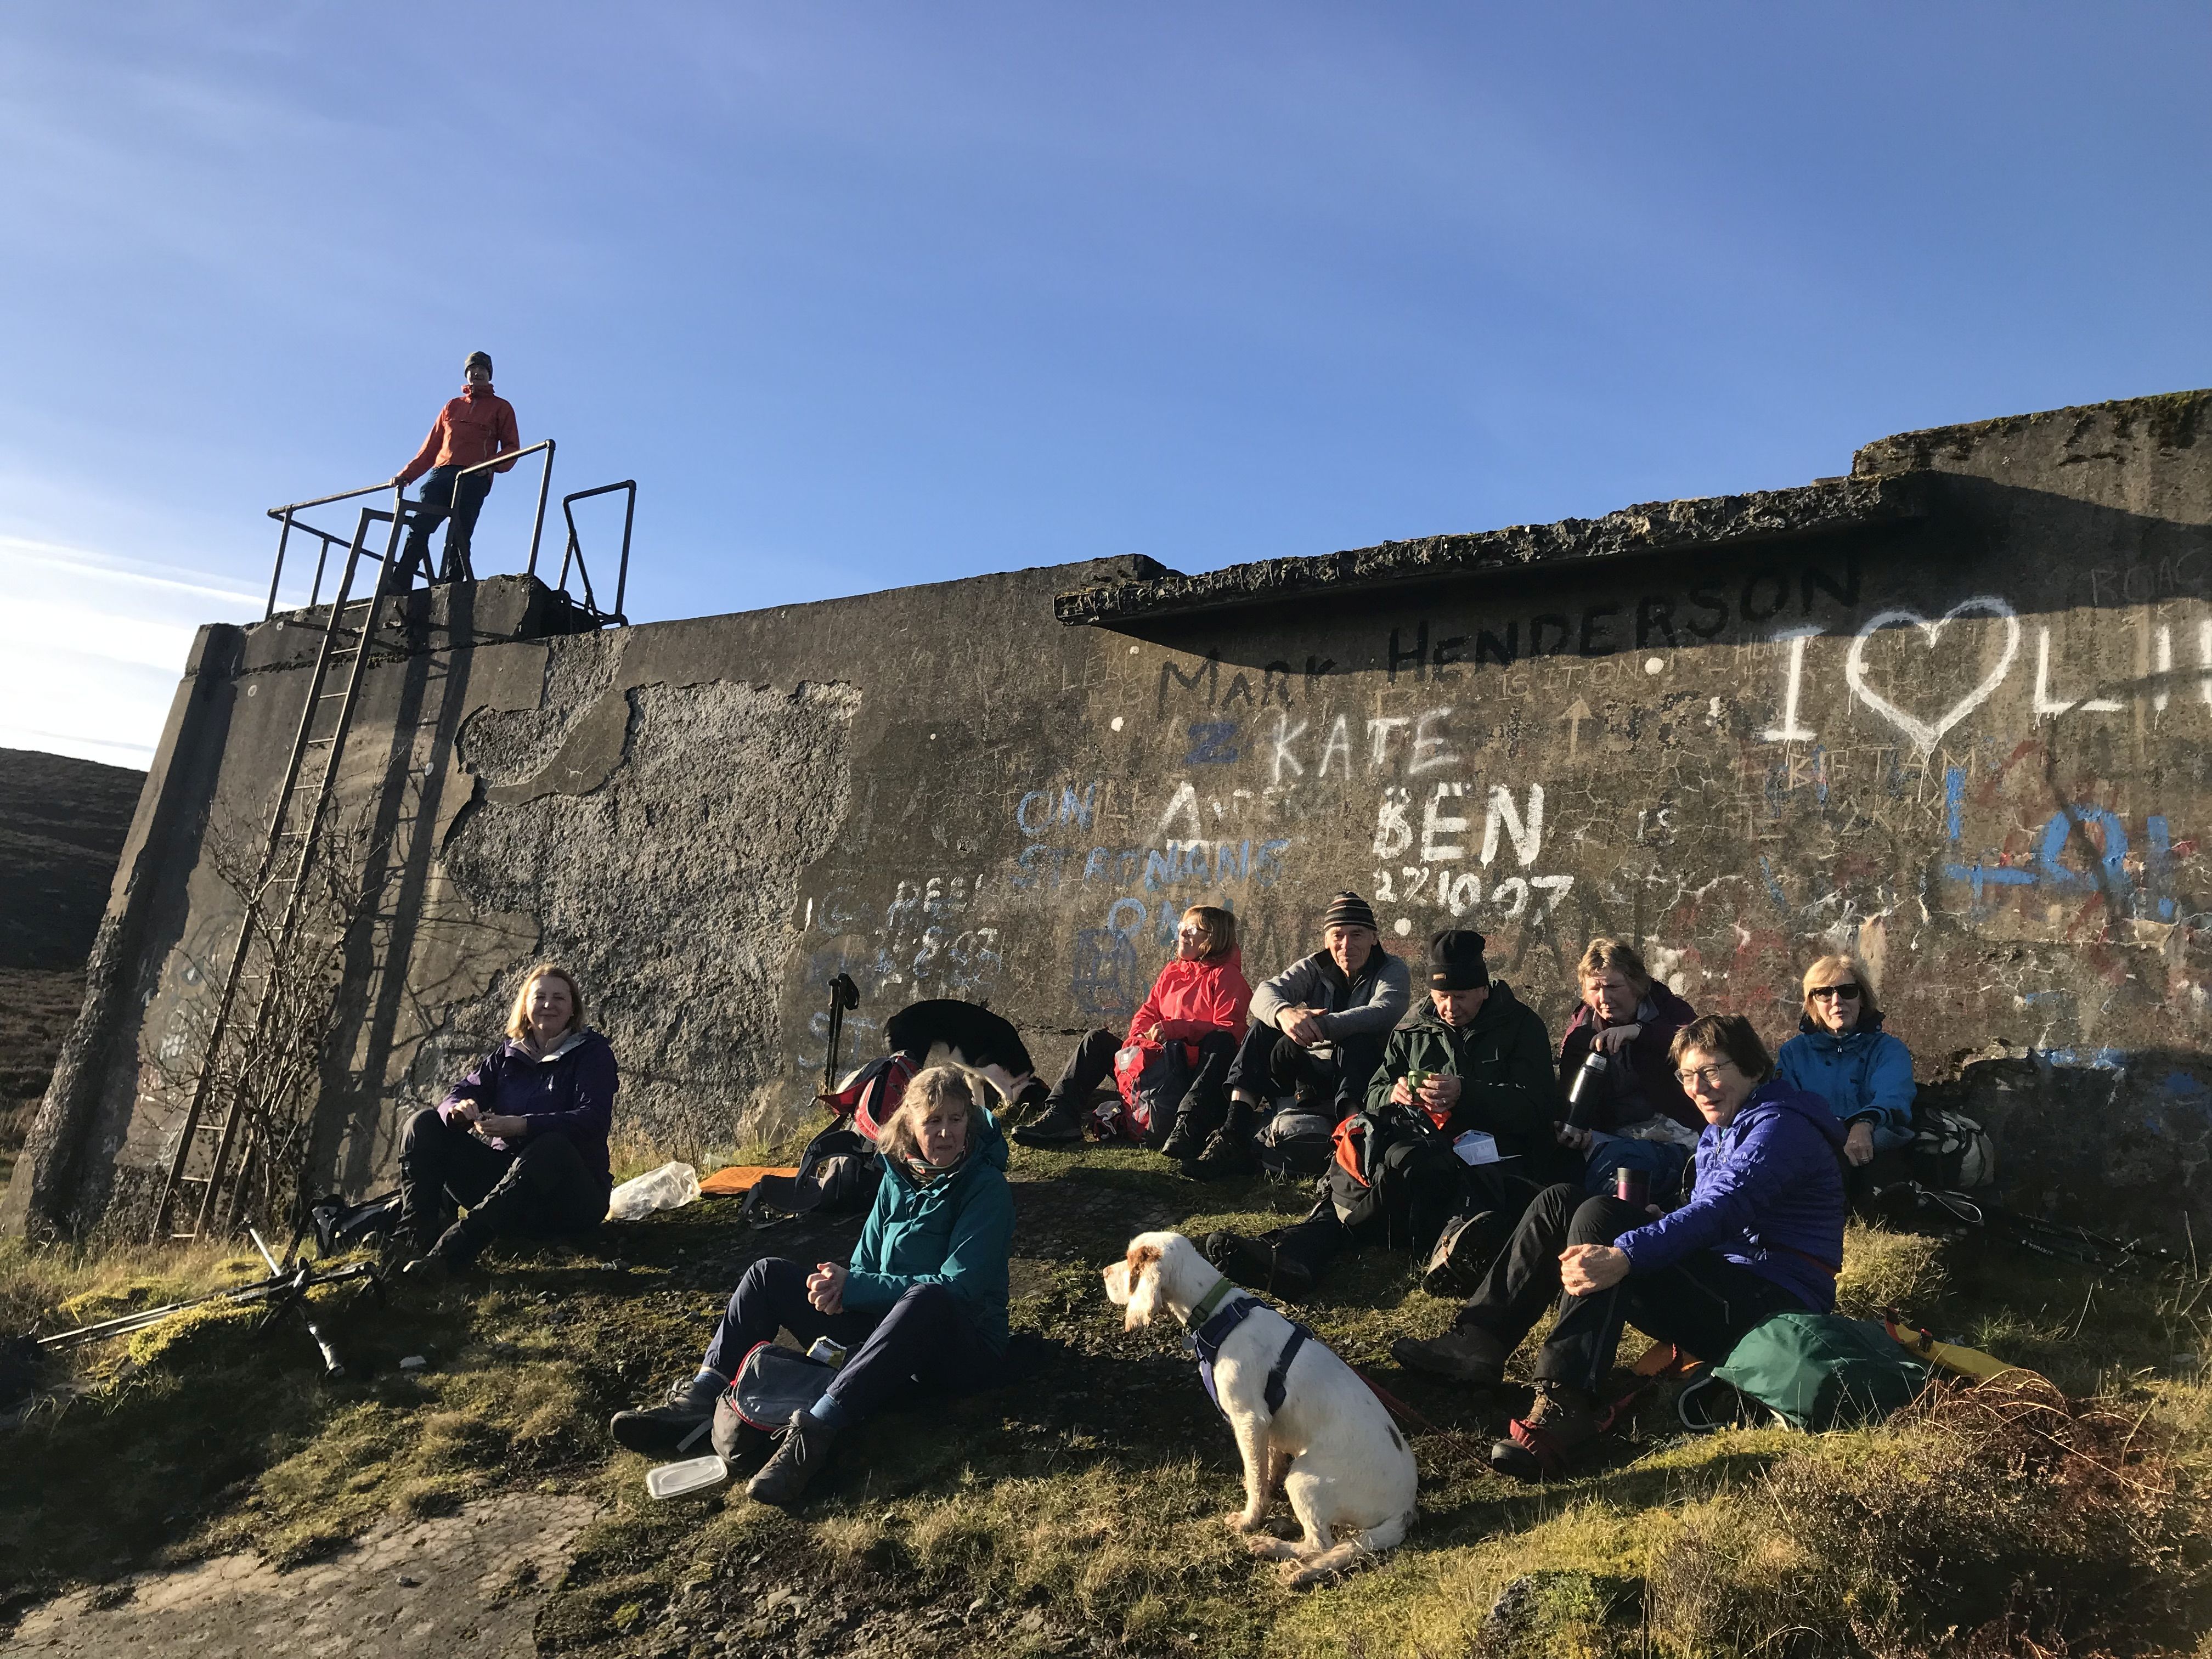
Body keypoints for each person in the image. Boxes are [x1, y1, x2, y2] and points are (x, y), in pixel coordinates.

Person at [1390, 1014, 1846, 1481]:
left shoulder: (1782, 1127)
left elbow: (1726, 1208)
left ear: (1752, 1068)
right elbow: (1714, 1217)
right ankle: (1477, 1342)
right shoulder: (1723, 1129)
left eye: (1712, 1070)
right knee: (1560, 1201)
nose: (1699, 1087)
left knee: (1602, 1219)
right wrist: (1658, 1225)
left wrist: (1627, 1252)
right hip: (1729, 1285)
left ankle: (1567, 1400)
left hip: (1775, 1307)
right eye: (1688, 1075)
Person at [608, 1067, 1013, 1508]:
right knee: (768, 1274)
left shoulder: (985, 1187)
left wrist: (856, 1288)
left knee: (928, 1298)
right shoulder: (897, 1176)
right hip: (883, 1335)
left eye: (956, 1120)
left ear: (969, 1122)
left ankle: (813, 1435)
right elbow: (865, 1263)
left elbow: (961, 1288)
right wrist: (837, 1289)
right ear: (911, 1124)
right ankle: (701, 1396)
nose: (945, 1133)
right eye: (933, 1121)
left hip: (960, 1349)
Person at [1204, 929, 1554, 1300]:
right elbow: (1373, 1091)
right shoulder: (1414, 1025)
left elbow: (1537, 1107)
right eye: (1442, 997)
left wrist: (1467, 1094)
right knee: (1366, 1157)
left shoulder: (1521, 1026)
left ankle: (1456, 1250)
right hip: (1419, 1155)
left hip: (1488, 1159)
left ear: (1484, 989)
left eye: (1461, 997)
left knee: (1470, 1182)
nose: (1450, 1008)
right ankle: (1293, 1255)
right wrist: (1394, 1093)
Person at [397, 964, 615, 1278]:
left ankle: (451, 1254)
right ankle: (411, 1246)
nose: (548, 1005)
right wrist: (460, 1110)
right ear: (525, 1007)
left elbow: (592, 1119)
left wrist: (522, 1125)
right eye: (539, 997)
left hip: (569, 1197)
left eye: (559, 998)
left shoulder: (592, 1054)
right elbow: (457, 1094)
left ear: (572, 1010)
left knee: (550, 1146)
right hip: (505, 1190)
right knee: (424, 1123)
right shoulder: (508, 1056)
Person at [1011, 905, 1250, 1160]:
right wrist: (1136, 1039)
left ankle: (1188, 1125)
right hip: (1153, 1064)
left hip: (1190, 1072)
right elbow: (1149, 1010)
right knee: (1096, 1041)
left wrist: (1176, 1030)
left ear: (1214, 937)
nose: (1182, 934)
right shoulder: (1172, 972)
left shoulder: (1227, 977)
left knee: (1219, 1041)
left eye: (1192, 930)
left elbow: (1231, 1032)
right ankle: (1060, 1116)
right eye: (1181, 927)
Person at [1212, 891, 1410, 1169]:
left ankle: (1351, 1141)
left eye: (1357, 935)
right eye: (1338, 935)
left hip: (1361, 1072)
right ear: (1326, 939)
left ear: (1374, 938)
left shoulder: (1392, 969)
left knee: (1359, 1040)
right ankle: (1233, 1134)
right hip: (1311, 1070)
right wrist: (1285, 1014)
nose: (1346, 945)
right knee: (1262, 1028)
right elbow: (1263, 994)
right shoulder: (1315, 966)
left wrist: (1320, 1025)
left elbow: (1385, 1011)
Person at [1552, 938, 1701, 1202]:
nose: (1604, 998)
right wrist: (1576, 1128)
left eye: (1613, 987)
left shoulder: (1667, 1009)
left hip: (1678, 1134)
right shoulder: (1581, 1032)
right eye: (1595, 988)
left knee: (1617, 1167)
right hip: (1611, 1138)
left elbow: (1700, 1042)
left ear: (1636, 985)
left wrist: (1641, 1033)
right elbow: (1570, 1098)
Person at [1775, 955, 1916, 1211]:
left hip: (1874, 1143)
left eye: (1847, 991)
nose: (1837, 1001)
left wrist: (1863, 1124)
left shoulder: (1888, 1049)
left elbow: (1894, 1095)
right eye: (1824, 994)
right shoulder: (1793, 1053)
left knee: (1884, 1155)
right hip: (1818, 1145)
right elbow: (1785, 1105)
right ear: (1812, 1004)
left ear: (1862, 998)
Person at [391, 351, 520, 588]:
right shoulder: (452, 406)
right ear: (467, 374)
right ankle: (400, 581)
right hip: (442, 473)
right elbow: (430, 448)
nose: (477, 373)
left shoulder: (502, 408)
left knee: (460, 532)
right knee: (420, 525)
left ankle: (453, 584)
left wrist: (489, 465)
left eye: (482, 369)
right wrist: (407, 475)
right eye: (472, 369)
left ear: (489, 374)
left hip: (474, 476)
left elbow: (512, 448)